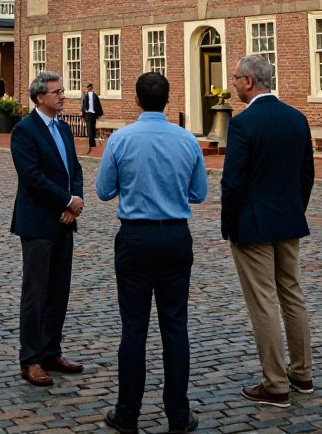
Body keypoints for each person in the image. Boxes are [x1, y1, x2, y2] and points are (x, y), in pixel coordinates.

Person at [96, 72, 207, 434]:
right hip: (175, 235)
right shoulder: (187, 140)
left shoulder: (121, 139)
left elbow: (104, 191)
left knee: (134, 328)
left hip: (135, 238)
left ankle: (127, 413)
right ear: (168, 99)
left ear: (137, 100)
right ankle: (178, 414)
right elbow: (200, 193)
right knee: (175, 326)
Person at [222, 55, 314, 410]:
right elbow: (307, 174)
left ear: (249, 81)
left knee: (263, 301)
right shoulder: (296, 118)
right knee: (292, 294)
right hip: (288, 219)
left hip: (253, 223)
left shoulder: (243, 124)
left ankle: (275, 383)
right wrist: (296, 209)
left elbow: (233, 183)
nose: (232, 84)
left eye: (235, 79)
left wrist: (229, 224)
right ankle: (302, 373)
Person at [10, 71, 84, 388]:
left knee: (58, 291)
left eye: (62, 91)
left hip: (65, 221)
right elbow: (32, 176)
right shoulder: (25, 131)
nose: (62, 96)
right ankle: (31, 359)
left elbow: (75, 169)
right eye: (56, 92)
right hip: (39, 221)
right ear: (40, 97)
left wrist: (75, 200)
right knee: (36, 293)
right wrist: (65, 202)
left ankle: (52, 351)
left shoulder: (64, 128)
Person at [81, 82, 104, 155]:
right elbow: (83, 106)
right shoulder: (85, 96)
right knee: (90, 129)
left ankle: (92, 143)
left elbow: (98, 105)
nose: (89, 89)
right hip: (88, 114)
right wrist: (84, 114)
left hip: (93, 114)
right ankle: (91, 145)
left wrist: (100, 114)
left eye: (90, 88)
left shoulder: (95, 96)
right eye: (88, 88)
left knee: (92, 129)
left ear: (91, 88)